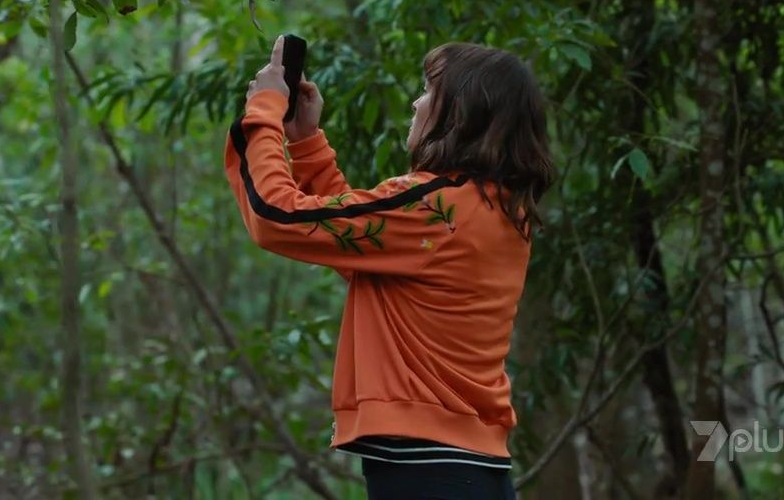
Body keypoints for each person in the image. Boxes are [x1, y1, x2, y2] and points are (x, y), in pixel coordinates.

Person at [224, 35, 554, 500]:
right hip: (469, 467)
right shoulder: (495, 209)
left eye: (429, 91)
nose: (417, 103)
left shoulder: (437, 207)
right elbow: (367, 253)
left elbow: (276, 216)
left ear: (461, 113)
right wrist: (307, 144)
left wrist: (262, 112)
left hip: (429, 469)